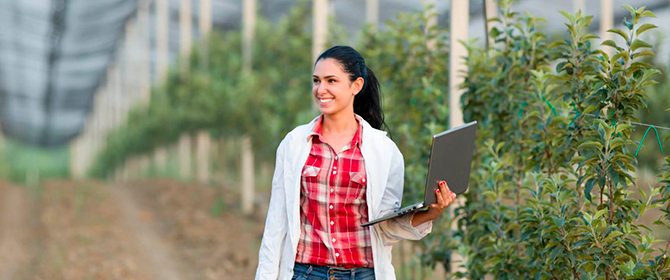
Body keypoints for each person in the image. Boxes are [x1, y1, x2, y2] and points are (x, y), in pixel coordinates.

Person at [255, 46, 457, 280]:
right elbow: (276, 224)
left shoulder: (384, 151)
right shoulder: (294, 144)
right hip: (305, 273)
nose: (321, 89)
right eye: (316, 81)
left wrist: (432, 212)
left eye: (331, 81)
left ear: (356, 86)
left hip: (363, 275)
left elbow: (385, 227)